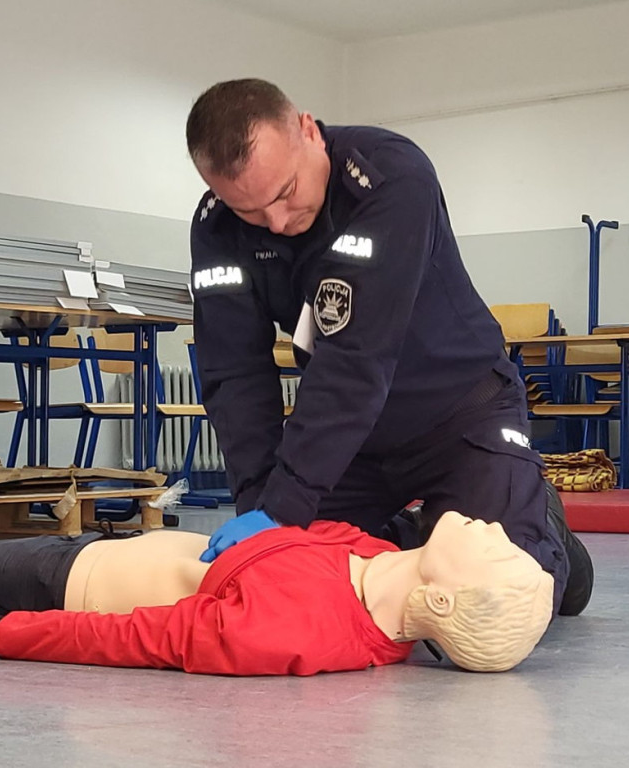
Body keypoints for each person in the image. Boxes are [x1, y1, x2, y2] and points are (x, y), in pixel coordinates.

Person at [185, 78, 592, 617]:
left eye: (284, 193)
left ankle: (545, 528)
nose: (277, 223)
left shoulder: (391, 177)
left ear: (308, 131)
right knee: (298, 586)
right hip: (355, 443)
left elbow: (356, 357)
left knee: (496, 603)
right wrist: (262, 510)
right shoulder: (216, 226)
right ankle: (415, 533)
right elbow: (234, 374)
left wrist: (285, 510)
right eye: (251, 212)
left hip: (459, 416)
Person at [0, 464, 553, 675]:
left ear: (445, 599)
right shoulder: (379, 555)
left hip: (72, 587)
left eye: (498, 551)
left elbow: (144, 640)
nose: (495, 528)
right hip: (95, 557)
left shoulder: (299, 635)